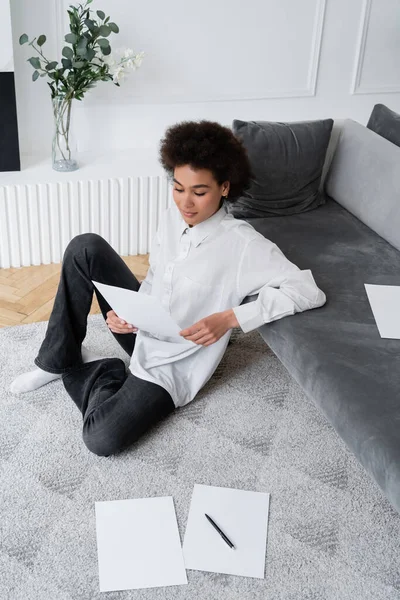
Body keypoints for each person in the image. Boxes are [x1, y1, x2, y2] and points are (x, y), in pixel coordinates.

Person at [10, 120, 326, 457]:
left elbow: (307, 290)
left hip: (176, 363)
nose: (185, 202)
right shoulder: (172, 218)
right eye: (178, 188)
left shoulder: (243, 245)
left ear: (224, 188)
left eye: (199, 192)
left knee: (101, 438)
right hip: (143, 329)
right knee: (84, 247)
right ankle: (56, 360)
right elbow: (157, 277)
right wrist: (126, 313)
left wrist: (231, 318)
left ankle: (106, 371)